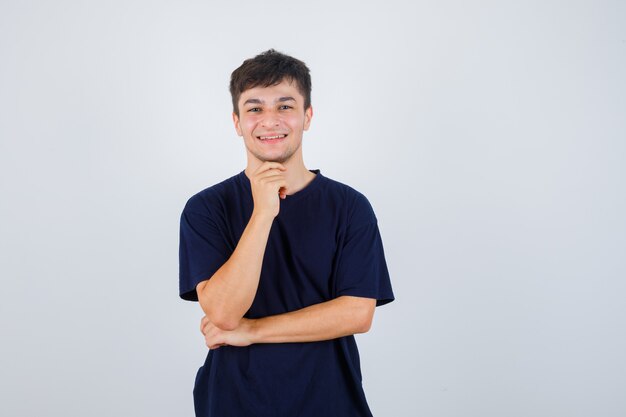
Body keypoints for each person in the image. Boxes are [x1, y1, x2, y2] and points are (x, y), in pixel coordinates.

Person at [178, 49, 395, 417]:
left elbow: (357, 313)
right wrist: (262, 213)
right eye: (255, 108)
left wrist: (253, 331)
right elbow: (224, 313)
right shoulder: (205, 208)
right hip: (234, 402)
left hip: (330, 401)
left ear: (307, 116)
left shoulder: (350, 207)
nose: (270, 120)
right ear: (237, 121)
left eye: (285, 106)